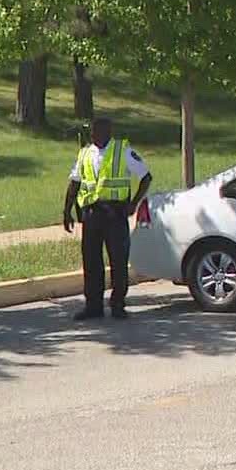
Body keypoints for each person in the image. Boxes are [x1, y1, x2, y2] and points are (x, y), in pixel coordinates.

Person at [63, 117, 151, 321]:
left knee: (118, 261)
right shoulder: (85, 153)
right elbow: (75, 183)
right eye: (92, 132)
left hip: (115, 214)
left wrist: (134, 203)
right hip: (91, 214)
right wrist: (67, 211)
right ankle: (93, 306)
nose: (94, 135)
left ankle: (118, 305)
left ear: (109, 131)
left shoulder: (123, 151)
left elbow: (146, 177)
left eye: (98, 131)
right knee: (91, 261)